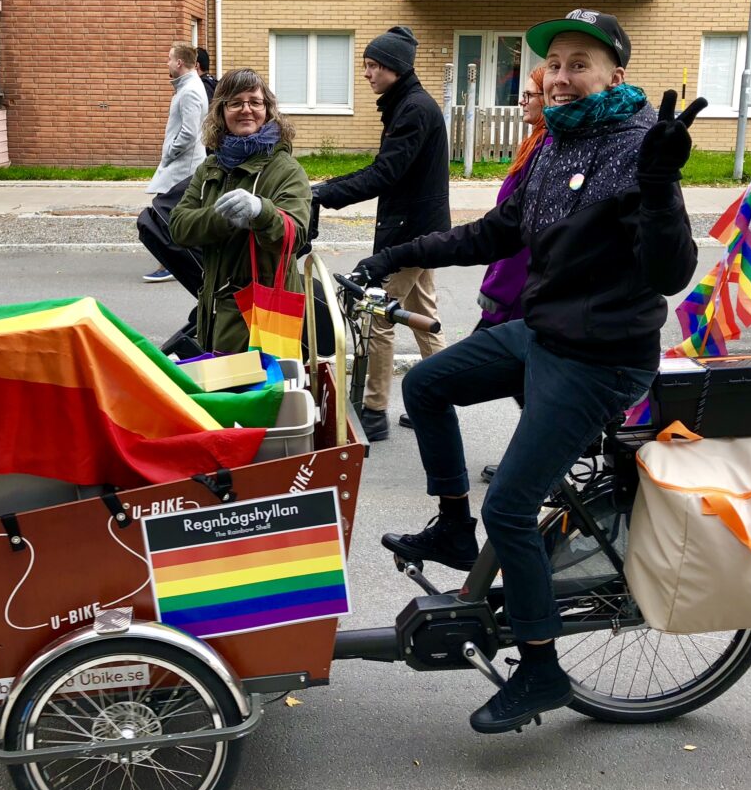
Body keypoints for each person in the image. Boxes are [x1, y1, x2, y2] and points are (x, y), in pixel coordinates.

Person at [355, 10, 704, 734]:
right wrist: (395, 255)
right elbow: (497, 232)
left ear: (615, 73)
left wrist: (664, 185)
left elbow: (669, 272)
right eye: (554, 64)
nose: (562, 75)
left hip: (600, 358)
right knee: (427, 383)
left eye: (582, 62)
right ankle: (453, 528)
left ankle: (541, 669)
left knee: (511, 507)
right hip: (543, 332)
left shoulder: (639, 146)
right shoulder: (555, 142)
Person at [313, 26, 447, 442]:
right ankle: (440, 399)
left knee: (379, 317)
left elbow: (385, 173)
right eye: (366, 65)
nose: (367, 73)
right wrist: (327, 187)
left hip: (410, 234)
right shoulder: (407, 104)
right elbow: (384, 167)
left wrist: (326, 193)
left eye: (373, 65)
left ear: (395, 67)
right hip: (418, 230)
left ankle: (374, 410)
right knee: (424, 319)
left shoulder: (414, 109)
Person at [170, 68, 310, 354]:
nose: (246, 110)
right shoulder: (210, 168)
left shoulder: (286, 170)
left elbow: (294, 236)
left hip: (265, 311)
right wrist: (222, 217)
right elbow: (179, 227)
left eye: (255, 102)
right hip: (214, 310)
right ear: (221, 112)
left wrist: (261, 212)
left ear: (268, 110)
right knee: (222, 391)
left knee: (261, 394)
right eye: (235, 103)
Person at [478, 64, 549, 483]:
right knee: (525, 380)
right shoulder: (535, 144)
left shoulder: (545, 150)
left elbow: (521, 236)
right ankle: (543, 456)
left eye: (529, 95)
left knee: (520, 377)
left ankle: (536, 462)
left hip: (519, 290)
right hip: (513, 284)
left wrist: (497, 290)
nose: (521, 102)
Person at [144, 42, 209, 283]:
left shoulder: (190, 90)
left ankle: (172, 263)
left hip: (183, 166)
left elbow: (190, 132)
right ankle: (174, 261)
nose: (167, 63)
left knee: (166, 212)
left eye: (169, 58)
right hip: (181, 164)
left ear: (179, 62)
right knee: (174, 213)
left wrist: (170, 152)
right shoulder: (188, 86)